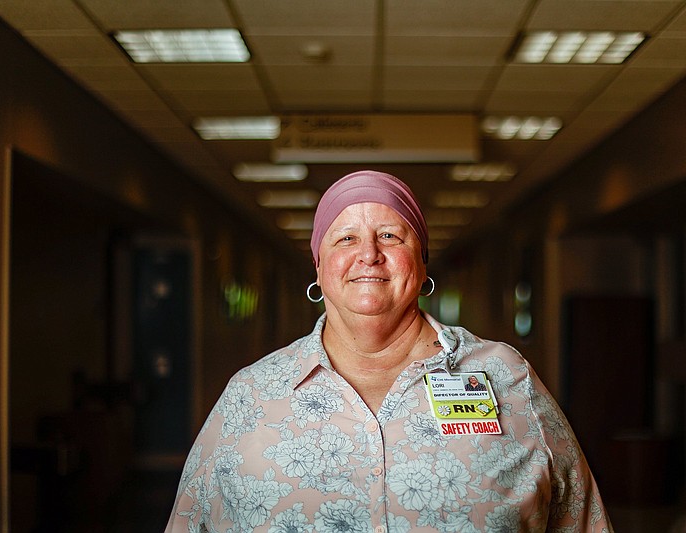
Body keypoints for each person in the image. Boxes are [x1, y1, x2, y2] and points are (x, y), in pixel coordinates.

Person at [165, 170, 613, 532]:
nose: (369, 255)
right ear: (318, 269)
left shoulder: (503, 376)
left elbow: (579, 514)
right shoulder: (252, 394)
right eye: (345, 239)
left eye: (391, 237)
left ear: (421, 265)